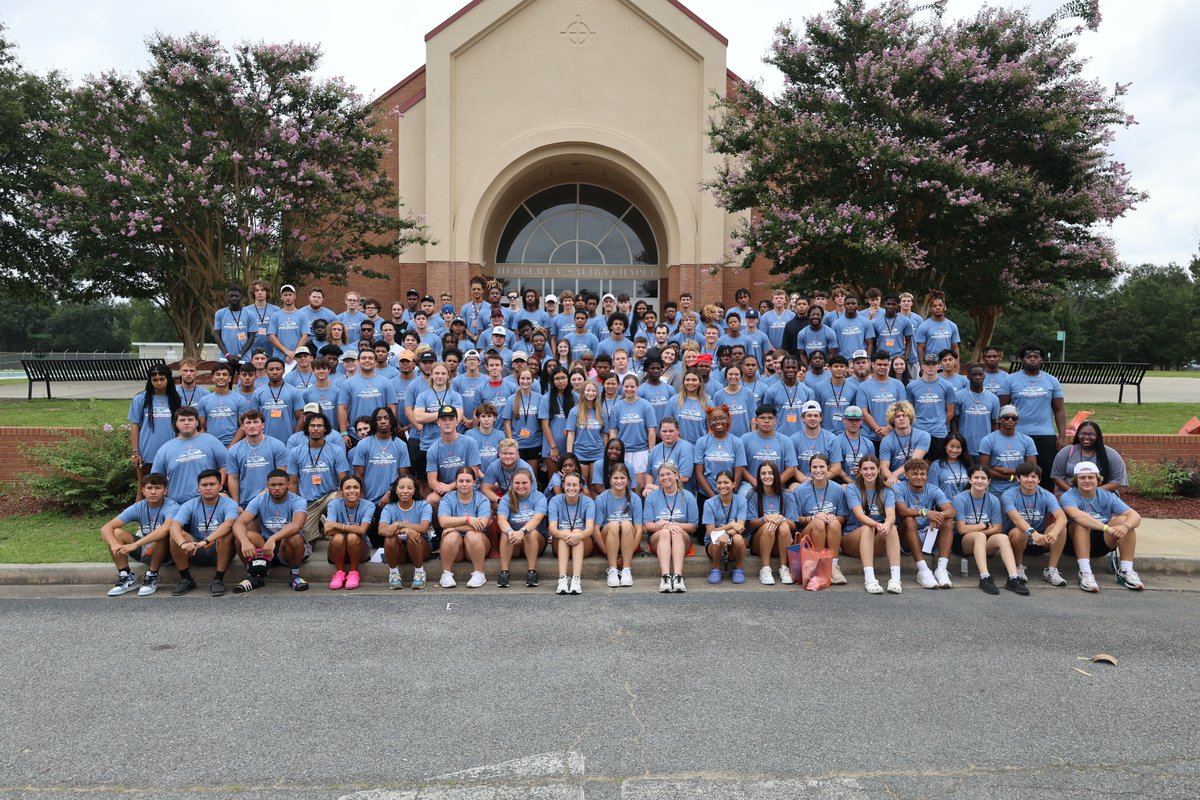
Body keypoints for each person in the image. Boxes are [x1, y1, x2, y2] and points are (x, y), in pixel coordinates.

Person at [1061, 461, 1145, 592]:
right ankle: (1085, 572)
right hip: (1073, 544)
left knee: (1125, 520)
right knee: (1081, 524)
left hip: (1102, 542)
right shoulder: (1068, 496)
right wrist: (1106, 528)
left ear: (1098, 480)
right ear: (1076, 480)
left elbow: (1135, 516)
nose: (1087, 481)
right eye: (1082, 477)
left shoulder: (1107, 495)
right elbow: (1077, 516)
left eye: (1091, 477)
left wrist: (1125, 527)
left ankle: (1126, 570)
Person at [230, 468, 310, 593]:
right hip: (265, 546)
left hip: (286, 548)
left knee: (295, 537)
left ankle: (294, 575)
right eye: (273, 485)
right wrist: (244, 541)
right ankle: (254, 576)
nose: (277, 488)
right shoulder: (259, 500)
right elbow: (239, 523)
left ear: (288, 485)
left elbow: (297, 524)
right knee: (242, 538)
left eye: (281, 484)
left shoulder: (298, 501)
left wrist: (273, 538)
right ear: (267, 485)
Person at [100, 473, 179, 597]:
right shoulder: (139, 507)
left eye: (157, 488)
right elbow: (106, 527)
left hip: (167, 553)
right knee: (116, 533)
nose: (153, 492)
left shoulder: (172, 506)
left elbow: (166, 529)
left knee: (162, 535)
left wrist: (135, 544)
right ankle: (126, 577)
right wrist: (114, 544)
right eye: (149, 488)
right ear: (143, 491)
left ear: (165, 491)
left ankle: (152, 576)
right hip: (146, 549)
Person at [953, 466, 1029, 595]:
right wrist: (984, 525)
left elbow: (998, 528)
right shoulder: (961, 498)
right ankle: (984, 577)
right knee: (979, 536)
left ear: (988, 481)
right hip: (963, 543)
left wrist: (980, 531)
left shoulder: (993, 500)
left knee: (1003, 537)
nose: (979, 481)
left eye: (983, 478)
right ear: (970, 480)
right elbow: (961, 529)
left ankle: (1013, 578)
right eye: (976, 477)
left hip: (984, 542)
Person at [166, 469, 240, 597]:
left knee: (227, 534)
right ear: (198, 488)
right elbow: (174, 525)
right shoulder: (189, 504)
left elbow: (229, 524)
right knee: (175, 537)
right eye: (204, 485)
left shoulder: (230, 504)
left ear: (220, 486)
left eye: (212, 484)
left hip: (219, 550)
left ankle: (218, 579)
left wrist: (206, 541)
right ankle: (186, 579)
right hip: (195, 550)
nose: (208, 488)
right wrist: (183, 544)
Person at [1002, 462, 1069, 587]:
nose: (1030, 479)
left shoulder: (1047, 495)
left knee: (1061, 528)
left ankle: (1051, 570)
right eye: (1025, 476)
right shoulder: (1008, 495)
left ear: (1039, 480)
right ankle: (1018, 567)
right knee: (1019, 531)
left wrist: (1054, 533)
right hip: (1018, 540)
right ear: (1018, 478)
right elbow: (1016, 519)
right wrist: (1032, 533)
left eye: (1033, 476)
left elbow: (1062, 517)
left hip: (1040, 539)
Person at [1009, 343, 1066, 489]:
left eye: (1036, 356)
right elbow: (1003, 410)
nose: (1032, 359)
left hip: (1045, 435)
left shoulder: (1052, 381)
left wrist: (1062, 436)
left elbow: (1059, 410)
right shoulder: (1010, 380)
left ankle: (1045, 502)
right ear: (1022, 359)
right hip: (1019, 435)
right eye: (1028, 356)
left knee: (1045, 474)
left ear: (1042, 359)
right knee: (1020, 473)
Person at [842, 455, 902, 594]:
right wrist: (876, 525)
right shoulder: (852, 488)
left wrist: (886, 524)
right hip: (852, 540)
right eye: (865, 469)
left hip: (876, 540)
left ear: (879, 469)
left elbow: (891, 516)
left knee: (892, 528)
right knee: (868, 528)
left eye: (872, 468)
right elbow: (860, 515)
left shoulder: (887, 490)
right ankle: (869, 579)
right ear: (859, 471)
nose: (869, 472)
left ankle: (895, 579)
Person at [286, 412, 350, 544]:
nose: (316, 429)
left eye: (319, 426)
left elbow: (344, 481)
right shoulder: (295, 452)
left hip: (329, 496)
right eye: (312, 426)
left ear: (325, 429)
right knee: (308, 543)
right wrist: (294, 506)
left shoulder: (336, 450)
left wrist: (340, 497)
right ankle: (320, 527)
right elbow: (292, 482)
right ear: (307, 428)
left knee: (338, 500)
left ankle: (332, 527)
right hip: (307, 501)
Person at [894, 458, 957, 589]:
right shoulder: (899, 488)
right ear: (906, 475)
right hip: (905, 537)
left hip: (928, 534)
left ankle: (941, 569)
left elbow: (951, 511)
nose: (919, 477)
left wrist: (938, 515)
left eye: (923, 474)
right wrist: (926, 512)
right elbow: (902, 511)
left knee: (947, 520)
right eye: (914, 474)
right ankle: (923, 570)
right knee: (909, 519)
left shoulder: (933, 489)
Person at [791, 454, 849, 585]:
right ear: (809, 469)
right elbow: (795, 519)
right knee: (818, 522)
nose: (818, 470)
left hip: (830, 534)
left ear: (828, 468)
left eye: (822, 466)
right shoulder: (800, 490)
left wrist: (833, 517)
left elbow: (843, 516)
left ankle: (833, 566)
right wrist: (812, 518)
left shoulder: (837, 489)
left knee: (835, 522)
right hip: (807, 536)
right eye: (814, 467)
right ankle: (819, 565)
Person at [643, 462, 699, 593]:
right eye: (661, 475)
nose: (665, 477)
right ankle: (665, 577)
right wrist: (664, 527)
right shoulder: (652, 496)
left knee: (675, 532)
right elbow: (648, 525)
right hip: (659, 539)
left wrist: (670, 524)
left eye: (668, 474)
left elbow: (693, 526)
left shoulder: (688, 496)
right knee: (665, 533)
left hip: (682, 538)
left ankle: (678, 577)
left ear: (676, 475)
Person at [152, 407, 227, 505]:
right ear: (176, 423)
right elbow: (155, 479)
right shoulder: (164, 449)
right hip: (177, 503)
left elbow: (224, 466)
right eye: (182, 420)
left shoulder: (212, 441)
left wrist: (219, 487)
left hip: (208, 500)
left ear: (197, 422)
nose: (186, 423)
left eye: (190, 419)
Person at [128, 364, 182, 496]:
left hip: (170, 453)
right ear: (150, 381)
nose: (159, 383)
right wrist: (135, 452)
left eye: (162, 379)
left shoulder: (175, 399)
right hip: (147, 454)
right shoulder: (141, 399)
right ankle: (140, 510)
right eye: (155, 380)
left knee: (168, 490)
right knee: (144, 490)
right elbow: (135, 426)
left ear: (168, 379)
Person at [437, 467, 492, 588]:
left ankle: (479, 573)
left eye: (468, 481)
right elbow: (443, 522)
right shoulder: (448, 498)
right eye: (461, 481)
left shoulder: (482, 499)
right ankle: (446, 574)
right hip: (456, 548)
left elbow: (482, 524)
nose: (464, 484)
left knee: (472, 535)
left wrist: (455, 527)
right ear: (455, 482)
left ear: (474, 482)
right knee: (451, 536)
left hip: (477, 545)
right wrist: (468, 520)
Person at [377, 474, 433, 590]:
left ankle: (419, 572)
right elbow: (382, 530)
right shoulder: (389, 508)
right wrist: (405, 530)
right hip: (399, 551)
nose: (405, 491)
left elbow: (423, 528)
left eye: (409, 488)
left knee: (413, 536)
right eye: (401, 487)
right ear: (396, 490)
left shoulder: (424, 505)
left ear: (415, 490)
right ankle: (394, 574)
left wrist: (400, 524)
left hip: (420, 548)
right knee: (390, 538)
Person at [747, 461, 799, 585]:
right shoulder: (753, 494)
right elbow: (751, 524)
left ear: (776, 475)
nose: (767, 476)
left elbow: (793, 525)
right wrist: (766, 518)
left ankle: (784, 568)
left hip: (781, 542)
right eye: (763, 473)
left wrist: (779, 518)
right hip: (759, 542)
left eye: (770, 473)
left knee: (784, 525)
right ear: (759, 477)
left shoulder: (787, 495)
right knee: (768, 525)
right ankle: (765, 568)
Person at [425, 405, 483, 516]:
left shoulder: (470, 442)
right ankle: (440, 526)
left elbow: (474, 472)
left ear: (457, 421)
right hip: (446, 491)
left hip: (468, 487)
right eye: (443, 419)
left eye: (451, 419)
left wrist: (451, 486)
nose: (447, 423)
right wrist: (444, 489)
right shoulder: (432, 449)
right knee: (431, 500)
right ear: (438, 422)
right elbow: (432, 481)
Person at [496, 467, 548, 588]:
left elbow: (536, 519)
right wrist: (510, 531)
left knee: (530, 533)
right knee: (505, 533)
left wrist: (522, 531)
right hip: (514, 541)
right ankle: (504, 572)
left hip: (535, 540)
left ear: (532, 483)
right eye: (517, 483)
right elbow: (501, 519)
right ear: (512, 483)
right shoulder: (506, 498)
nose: (521, 486)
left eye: (524, 483)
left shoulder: (539, 497)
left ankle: (532, 572)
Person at [225, 410, 290, 506]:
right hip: (245, 503)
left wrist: (265, 492)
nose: (252, 426)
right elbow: (233, 478)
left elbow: (282, 475)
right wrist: (236, 504)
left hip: (272, 500)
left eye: (255, 422)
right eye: (248, 423)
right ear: (242, 427)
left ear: (263, 425)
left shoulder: (277, 445)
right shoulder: (234, 450)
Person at [593, 463, 643, 588]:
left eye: (622, 478)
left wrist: (629, 553)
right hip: (608, 540)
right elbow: (595, 530)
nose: (619, 481)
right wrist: (606, 551)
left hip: (629, 541)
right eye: (615, 478)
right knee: (614, 525)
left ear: (628, 479)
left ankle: (626, 569)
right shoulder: (601, 498)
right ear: (609, 479)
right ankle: (612, 570)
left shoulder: (635, 499)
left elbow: (639, 530)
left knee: (626, 524)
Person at [322, 474, 374, 590]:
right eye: (347, 488)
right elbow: (328, 531)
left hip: (360, 550)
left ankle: (354, 572)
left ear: (361, 490)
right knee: (338, 538)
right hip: (337, 550)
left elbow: (362, 530)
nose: (352, 491)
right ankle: (339, 572)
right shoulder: (333, 504)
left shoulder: (369, 505)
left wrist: (336, 525)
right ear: (341, 491)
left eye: (356, 487)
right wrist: (353, 528)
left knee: (352, 537)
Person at [547, 472, 595, 595]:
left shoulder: (588, 502)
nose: (571, 488)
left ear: (580, 486)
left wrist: (577, 536)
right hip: (561, 541)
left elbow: (590, 528)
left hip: (583, 542)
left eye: (575, 485)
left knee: (577, 531)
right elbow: (552, 528)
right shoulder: (555, 500)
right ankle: (562, 578)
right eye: (568, 484)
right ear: (563, 485)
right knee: (565, 531)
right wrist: (567, 535)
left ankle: (576, 579)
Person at [1050, 420, 1128, 495]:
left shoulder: (1110, 454)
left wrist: (1092, 492)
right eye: (1083, 433)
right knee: (1063, 501)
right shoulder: (1067, 451)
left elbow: (1118, 481)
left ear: (1098, 436)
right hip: (1070, 492)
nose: (1086, 437)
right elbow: (1056, 476)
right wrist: (1073, 492)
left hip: (1102, 493)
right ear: (1078, 435)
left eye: (1091, 434)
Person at [977, 405, 1038, 496]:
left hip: (1020, 489)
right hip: (995, 490)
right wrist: (1011, 477)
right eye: (1006, 417)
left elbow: (1032, 468)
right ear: (999, 419)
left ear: (1017, 421)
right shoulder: (988, 440)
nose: (1010, 420)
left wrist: (1007, 471)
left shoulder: (1027, 440)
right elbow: (984, 469)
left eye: (1014, 418)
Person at [701, 471, 750, 584]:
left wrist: (726, 533)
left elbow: (740, 527)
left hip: (733, 542)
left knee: (738, 538)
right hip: (713, 545)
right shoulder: (709, 503)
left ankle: (739, 569)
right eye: (719, 483)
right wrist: (731, 525)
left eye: (726, 482)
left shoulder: (741, 500)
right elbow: (710, 532)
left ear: (733, 484)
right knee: (718, 538)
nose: (722, 486)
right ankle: (715, 568)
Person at [693, 405, 749, 501]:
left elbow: (738, 472)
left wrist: (729, 493)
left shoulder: (737, 442)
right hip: (706, 495)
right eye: (714, 419)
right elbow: (699, 473)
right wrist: (713, 498)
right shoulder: (701, 442)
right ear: (709, 422)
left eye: (722, 418)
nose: (718, 422)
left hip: (729, 494)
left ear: (728, 420)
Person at [907, 354, 955, 461]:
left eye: (934, 364)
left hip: (939, 432)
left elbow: (950, 412)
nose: (931, 367)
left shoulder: (947, 386)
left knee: (938, 463)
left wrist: (940, 423)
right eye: (928, 364)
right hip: (918, 430)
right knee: (917, 463)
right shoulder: (911, 386)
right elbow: (909, 411)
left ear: (938, 366)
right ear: (923, 366)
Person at [608, 373, 657, 475]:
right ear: (622, 387)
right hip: (622, 451)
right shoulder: (616, 407)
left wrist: (651, 452)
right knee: (622, 479)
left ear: (637, 387)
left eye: (632, 386)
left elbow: (651, 431)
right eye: (626, 386)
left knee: (640, 482)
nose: (629, 389)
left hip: (641, 451)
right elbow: (613, 431)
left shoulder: (646, 405)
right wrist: (613, 450)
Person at [953, 363, 1001, 458]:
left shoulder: (994, 398)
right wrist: (957, 440)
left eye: (980, 374)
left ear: (984, 376)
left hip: (985, 447)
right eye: (974, 375)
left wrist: (993, 442)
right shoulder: (959, 396)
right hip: (964, 446)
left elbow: (994, 424)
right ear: (968, 377)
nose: (977, 377)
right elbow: (954, 421)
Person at [254, 357, 306, 444]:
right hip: (264, 440)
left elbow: (301, 417)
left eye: (278, 369)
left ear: (284, 371)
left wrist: (295, 438)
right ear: (266, 371)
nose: (274, 372)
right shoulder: (258, 392)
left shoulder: (294, 391)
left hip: (288, 440)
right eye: (271, 369)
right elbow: (254, 418)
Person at [878, 401, 930, 486]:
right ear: (892, 420)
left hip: (917, 478)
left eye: (904, 415)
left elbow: (914, 460)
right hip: (896, 481)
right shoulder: (886, 440)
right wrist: (892, 478)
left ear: (910, 418)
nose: (901, 418)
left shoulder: (923, 436)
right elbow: (884, 467)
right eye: (897, 416)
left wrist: (895, 474)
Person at [197, 363, 249, 446]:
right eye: (218, 374)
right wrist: (207, 444)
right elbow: (202, 428)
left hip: (234, 445)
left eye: (224, 374)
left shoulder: (240, 399)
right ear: (213, 378)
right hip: (211, 445)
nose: (221, 377)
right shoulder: (204, 400)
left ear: (230, 378)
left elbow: (243, 426)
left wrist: (231, 446)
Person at [213, 285, 254, 363]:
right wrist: (227, 355)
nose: (233, 298)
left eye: (236, 296)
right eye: (231, 296)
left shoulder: (250, 314)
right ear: (227, 297)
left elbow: (251, 337)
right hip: (224, 358)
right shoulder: (219, 313)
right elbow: (217, 336)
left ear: (241, 297)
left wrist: (240, 355)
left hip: (244, 358)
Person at [927, 433, 973, 498]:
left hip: (965, 503)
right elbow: (932, 490)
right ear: (945, 446)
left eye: (958, 447)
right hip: (943, 503)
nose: (954, 450)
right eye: (951, 446)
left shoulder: (967, 464)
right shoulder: (936, 465)